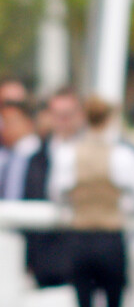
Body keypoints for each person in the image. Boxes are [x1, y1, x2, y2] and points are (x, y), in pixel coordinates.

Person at [49, 95, 134, 307]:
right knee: (114, 306)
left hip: (79, 237)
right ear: (110, 119)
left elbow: (57, 195)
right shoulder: (124, 156)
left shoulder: (68, 154)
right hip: (110, 236)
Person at [23, 88, 87, 287]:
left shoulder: (98, 154)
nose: (63, 120)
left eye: (69, 114)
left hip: (86, 258)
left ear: (81, 115)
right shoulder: (36, 158)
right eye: (58, 115)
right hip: (46, 262)